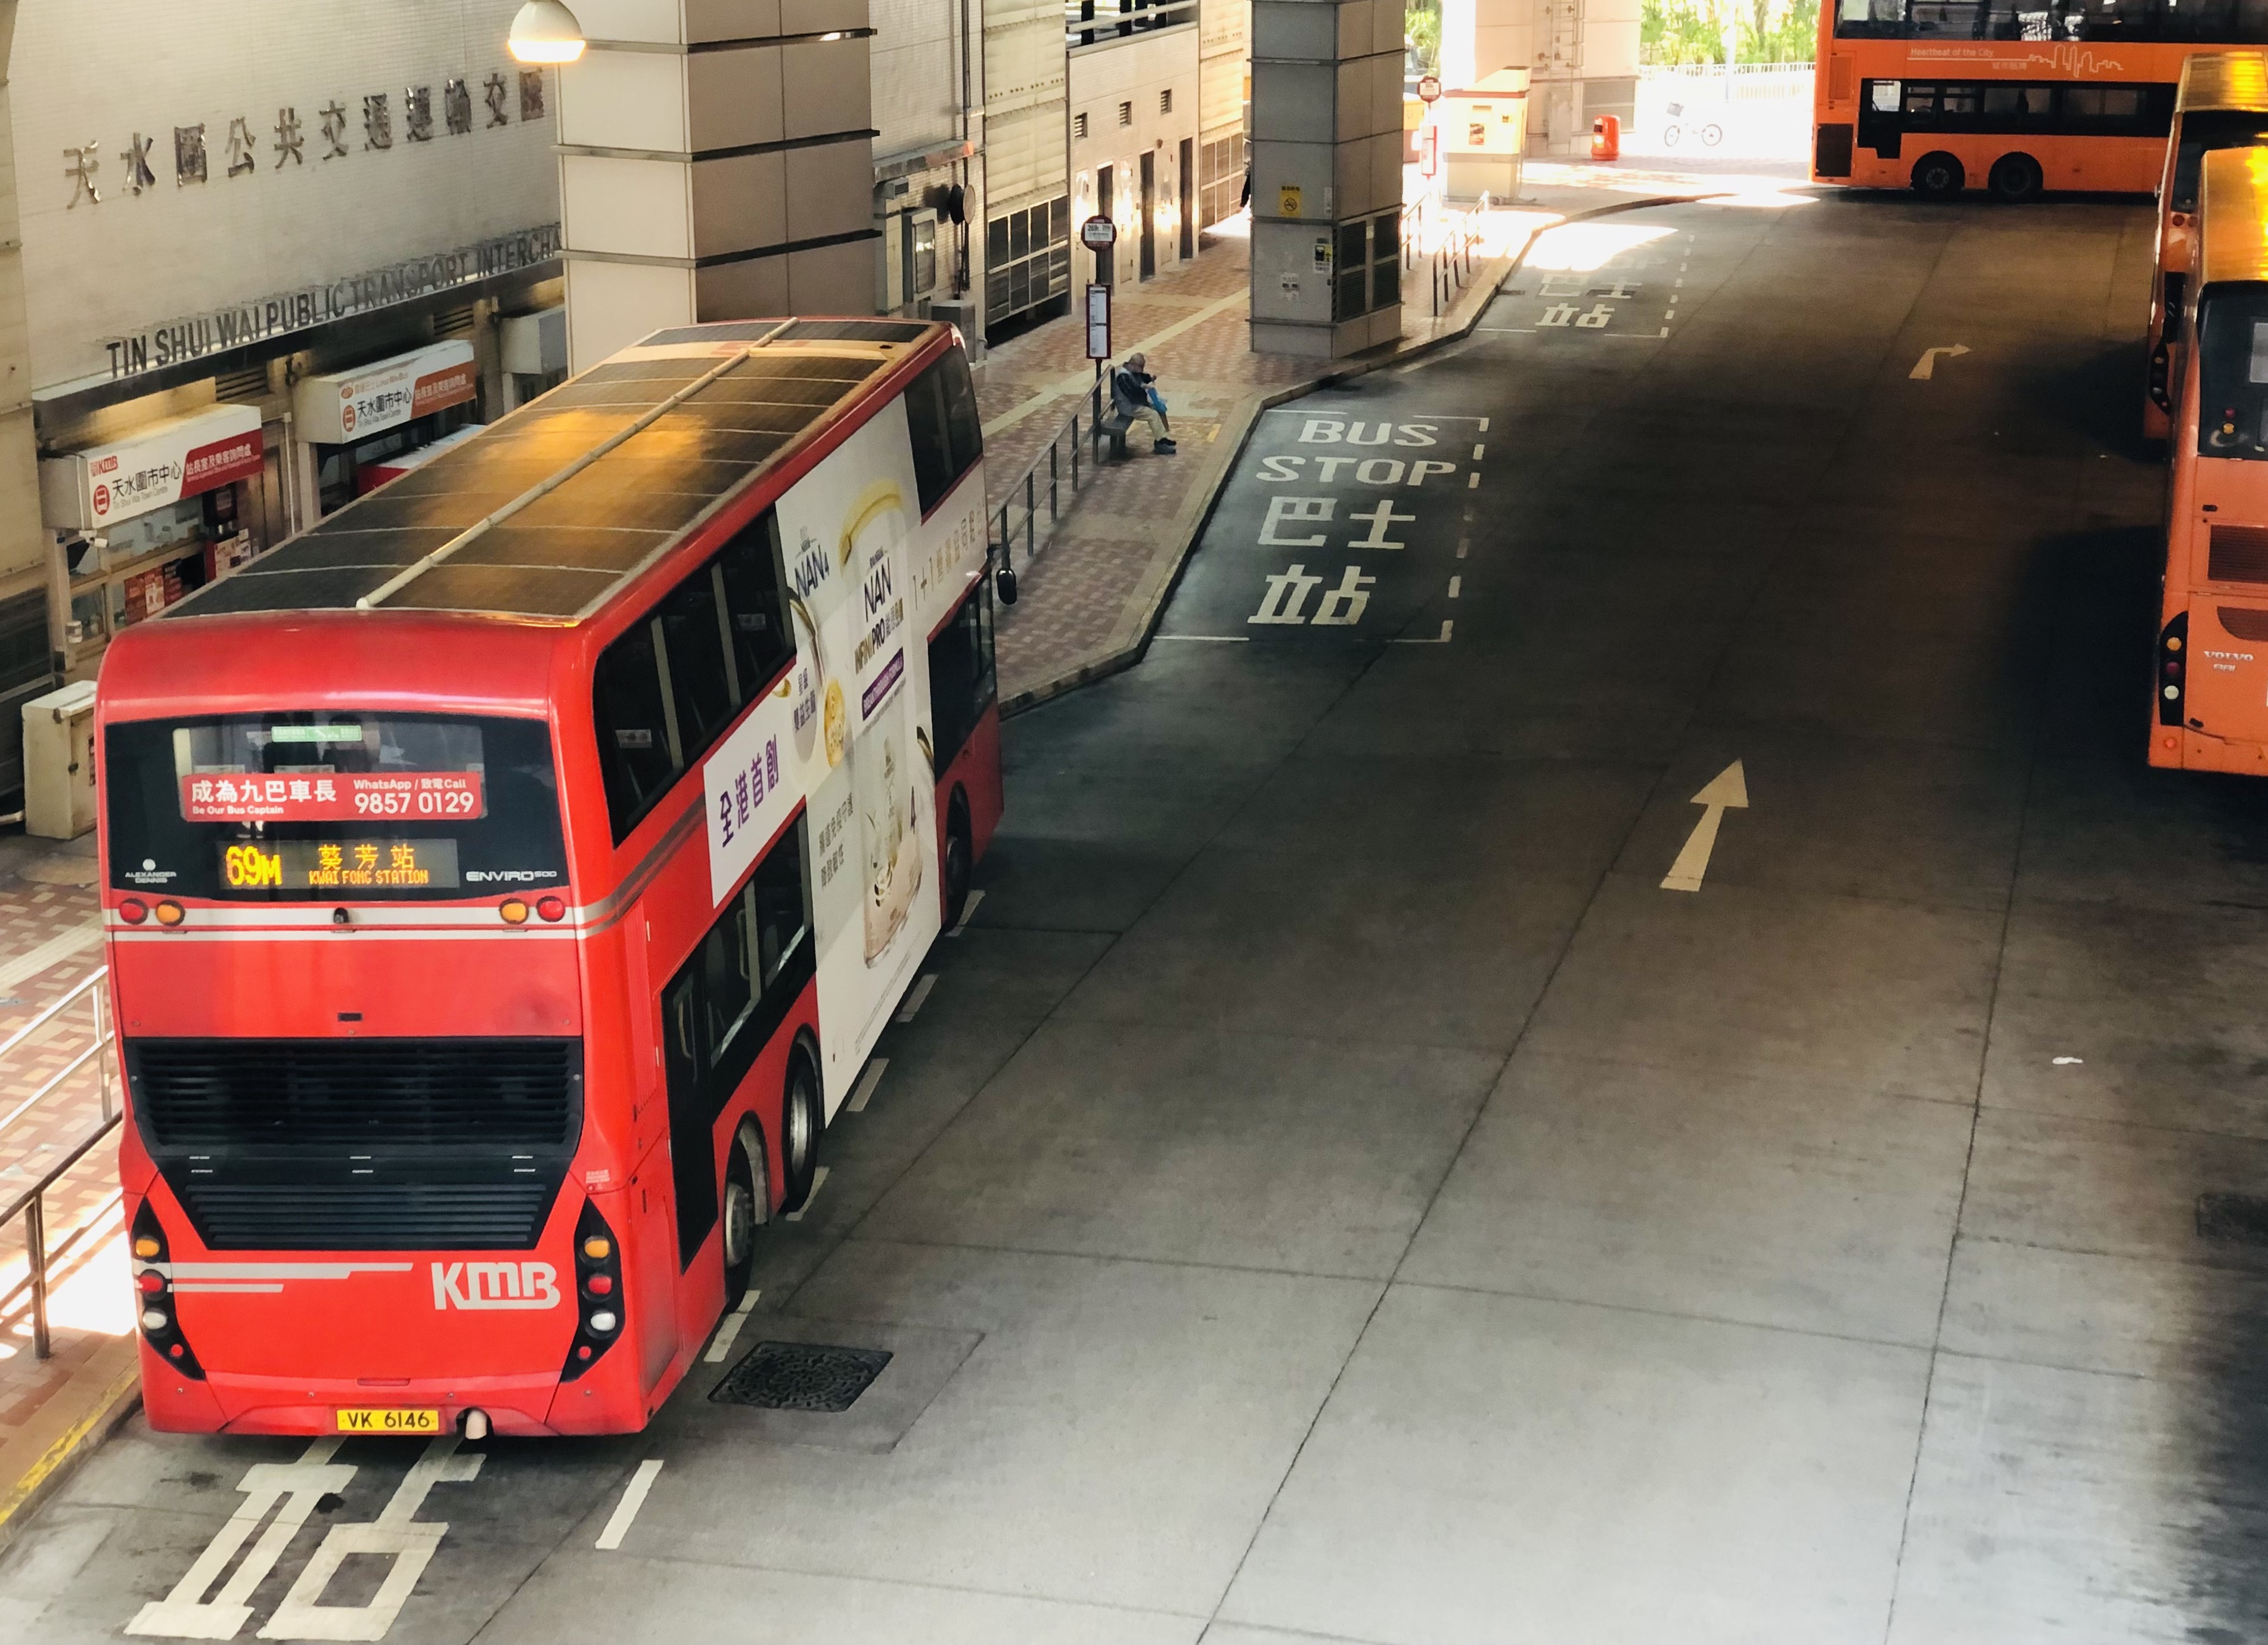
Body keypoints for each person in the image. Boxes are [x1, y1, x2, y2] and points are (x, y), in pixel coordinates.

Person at [1110, 352, 1175, 454]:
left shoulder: (1130, 372)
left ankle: (1164, 437)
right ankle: (1160, 443)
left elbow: (1140, 377)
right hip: (1129, 407)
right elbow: (1133, 393)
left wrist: (1148, 380)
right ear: (1135, 365)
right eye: (1141, 367)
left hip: (1134, 403)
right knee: (1153, 415)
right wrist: (1144, 389)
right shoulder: (1123, 377)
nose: (1142, 370)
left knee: (1159, 409)